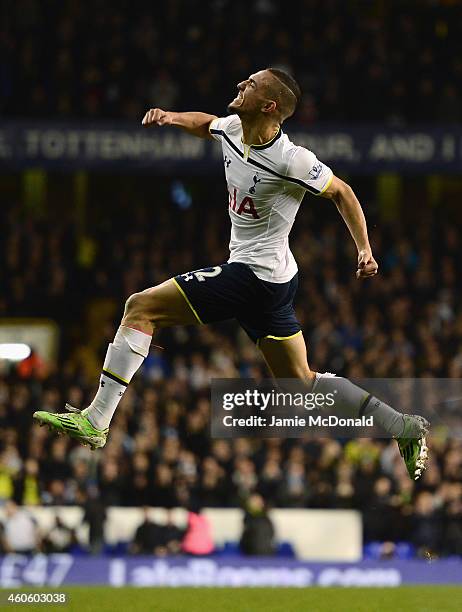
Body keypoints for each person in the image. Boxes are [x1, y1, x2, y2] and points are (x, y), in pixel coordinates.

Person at [33, 68, 428, 480]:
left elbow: (342, 192)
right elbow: (206, 125)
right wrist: (170, 116)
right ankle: (400, 426)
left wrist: (364, 249)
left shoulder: (293, 159)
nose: (241, 85)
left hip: (253, 276)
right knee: (302, 382)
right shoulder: (235, 128)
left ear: (269, 105)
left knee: (140, 307)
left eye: (251, 85)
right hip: (276, 281)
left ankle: (97, 419)